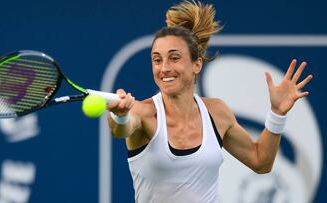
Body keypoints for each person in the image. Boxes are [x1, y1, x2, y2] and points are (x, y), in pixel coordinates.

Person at [107, 1, 313, 202]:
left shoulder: (217, 112)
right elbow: (119, 129)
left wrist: (277, 113)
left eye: (174, 58)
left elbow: (261, 162)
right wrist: (121, 114)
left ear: (197, 64)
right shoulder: (143, 113)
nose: (164, 68)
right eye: (157, 60)